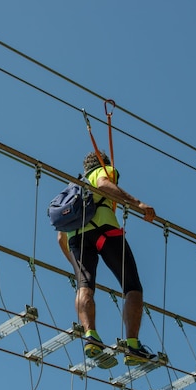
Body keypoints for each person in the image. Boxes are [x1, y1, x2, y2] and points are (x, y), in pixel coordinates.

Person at [57, 151, 157, 366]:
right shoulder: (103, 170)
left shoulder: (72, 188)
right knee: (132, 287)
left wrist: (75, 266)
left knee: (84, 285)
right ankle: (132, 345)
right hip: (105, 231)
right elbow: (103, 185)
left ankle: (91, 337)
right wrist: (137, 203)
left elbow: (60, 238)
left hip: (76, 237)